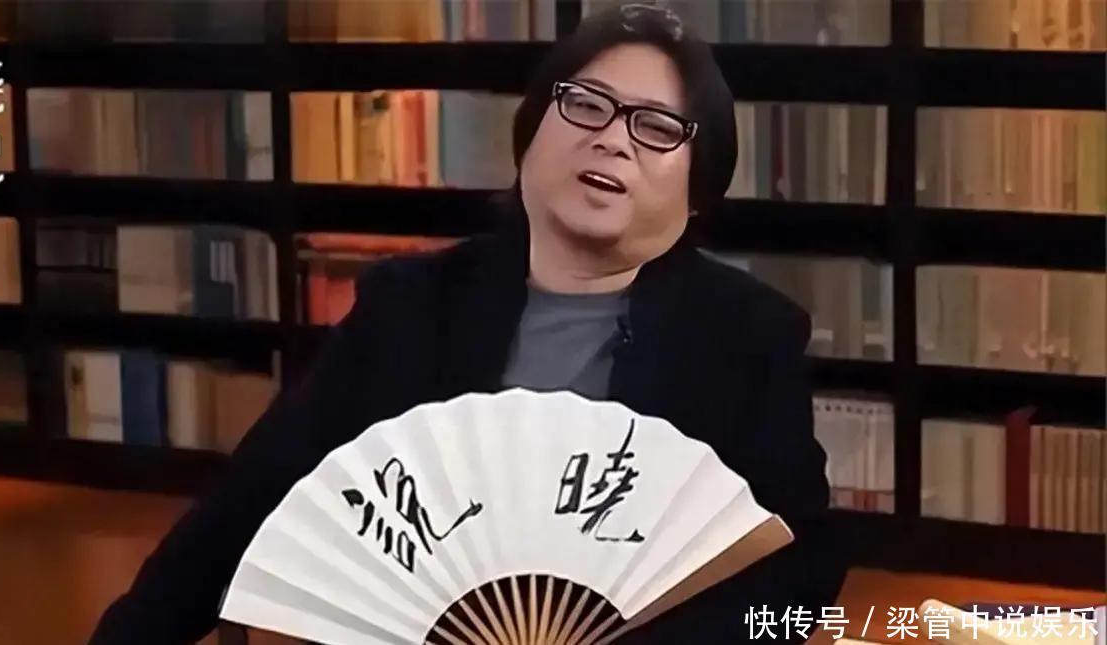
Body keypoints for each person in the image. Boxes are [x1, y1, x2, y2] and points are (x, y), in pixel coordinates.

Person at [90, 4, 849, 643]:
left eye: (656, 127)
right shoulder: (407, 304)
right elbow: (250, 505)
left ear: (699, 188)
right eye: (586, 104)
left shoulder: (749, 335)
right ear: (530, 135)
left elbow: (802, 573)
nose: (613, 137)